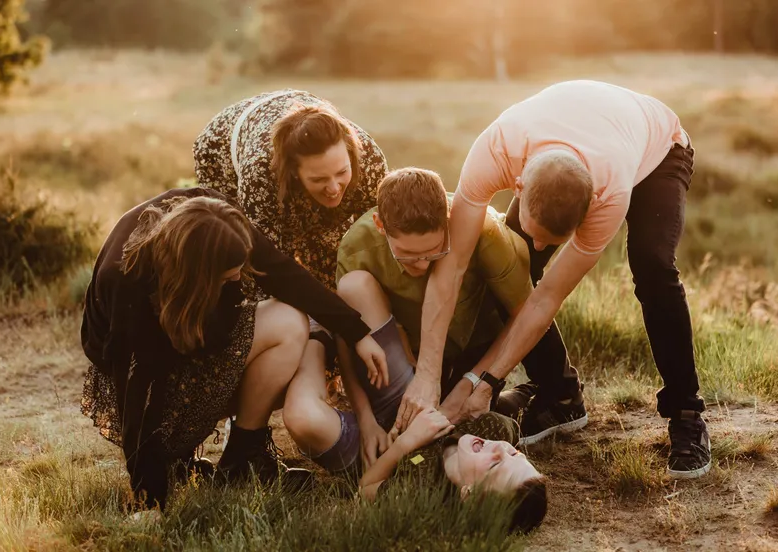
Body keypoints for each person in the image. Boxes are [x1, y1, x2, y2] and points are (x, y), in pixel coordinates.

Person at [414, 80, 711, 479]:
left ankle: (686, 412)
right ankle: (560, 396)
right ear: (518, 185)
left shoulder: (609, 193)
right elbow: (452, 268)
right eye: (537, 232)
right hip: (583, 136)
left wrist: (486, 383)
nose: (538, 243)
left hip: (657, 150)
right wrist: (428, 378)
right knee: (509, 263)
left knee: (653, 265)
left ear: (587, 212)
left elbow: (545, 299)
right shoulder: (496, 149)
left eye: (552, 241)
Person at [80, 187, 387, 512]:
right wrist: (149, 498)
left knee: (288, 321)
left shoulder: (219, 219)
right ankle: (172, 459)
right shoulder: (127, 282)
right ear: (195, 274)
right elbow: (136, 397)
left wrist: (356, 332)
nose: (240, 277)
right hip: (138, 376)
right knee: (154, 432)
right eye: (228, 278)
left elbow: (285, 276)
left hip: (195, 337)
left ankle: (242, 458)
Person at [282, 167, 560, 476]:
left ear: (450, 221)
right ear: (380, 226)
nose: (422, 264)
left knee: (470, 425)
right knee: (352, 286)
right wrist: (366, 420)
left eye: (433, 253)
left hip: (472, 355)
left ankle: (513, 397)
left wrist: (475, 381)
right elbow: (349, 336)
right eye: (408, 255)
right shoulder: (357, 246)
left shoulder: (486, 232)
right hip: (401, 366)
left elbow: (526, 318)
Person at [194, 89, 388, 388]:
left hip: (292, 113)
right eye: (319, 179)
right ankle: (267, 372)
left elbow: (376, 240)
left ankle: (335, 368)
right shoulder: (261, 172)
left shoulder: (369, 159)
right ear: (294, 173)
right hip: (225, 145)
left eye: (341, 173)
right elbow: (270, 269)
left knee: (332, 253)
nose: (335, 188)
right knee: (252, 273)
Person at [359, 408, 548, 535]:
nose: (500, 448)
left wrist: (405, 442)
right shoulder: (495, 428)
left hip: (380, 433)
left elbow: (364, 488)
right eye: (514, 454)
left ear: (469, 494)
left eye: (494, 465)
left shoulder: (419, 492)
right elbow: (511, 431)